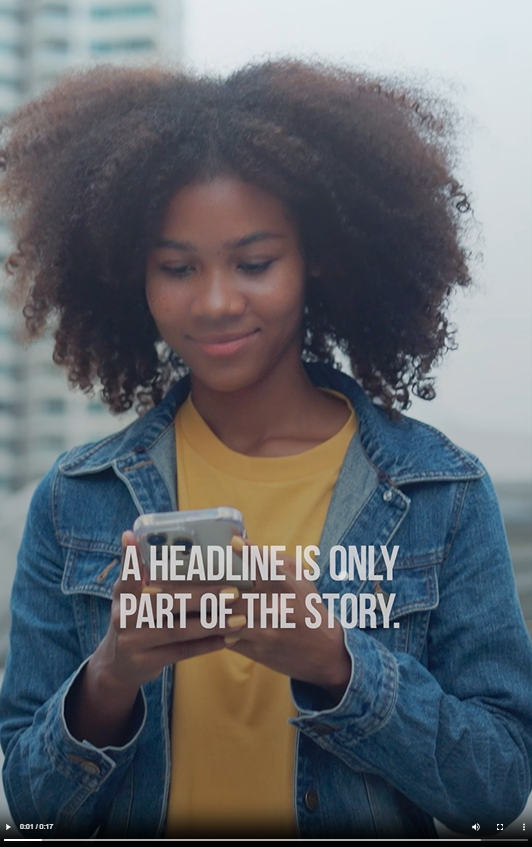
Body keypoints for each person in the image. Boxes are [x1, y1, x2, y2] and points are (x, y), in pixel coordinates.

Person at [0, 60, 530, 840]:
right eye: (177, 267)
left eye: (254, 263)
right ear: (132, 274)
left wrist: (336, 663)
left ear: (316, 256)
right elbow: (31, 800)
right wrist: (111, 676)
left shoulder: (439, 493)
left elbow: (498, 782)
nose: (215, 301)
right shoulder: (77, 497)